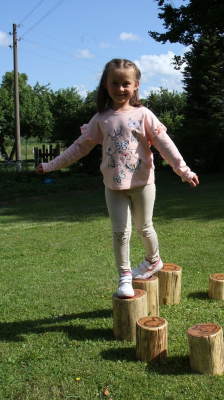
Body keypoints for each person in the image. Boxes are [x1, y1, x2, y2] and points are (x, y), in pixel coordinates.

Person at [36, 58, 199, 298]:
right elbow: (78, 148)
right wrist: (50, 166)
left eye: (126, 83)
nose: (120, 89)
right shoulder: (101, 118)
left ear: (136, 85)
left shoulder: (144, 114)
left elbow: (166, 145)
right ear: (105, 84)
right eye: (115, 83)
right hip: (113, 186)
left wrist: (183, 170)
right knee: (120, 233)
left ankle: (153, 260)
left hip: (143, 184)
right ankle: (124, 277)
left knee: (145, 228)